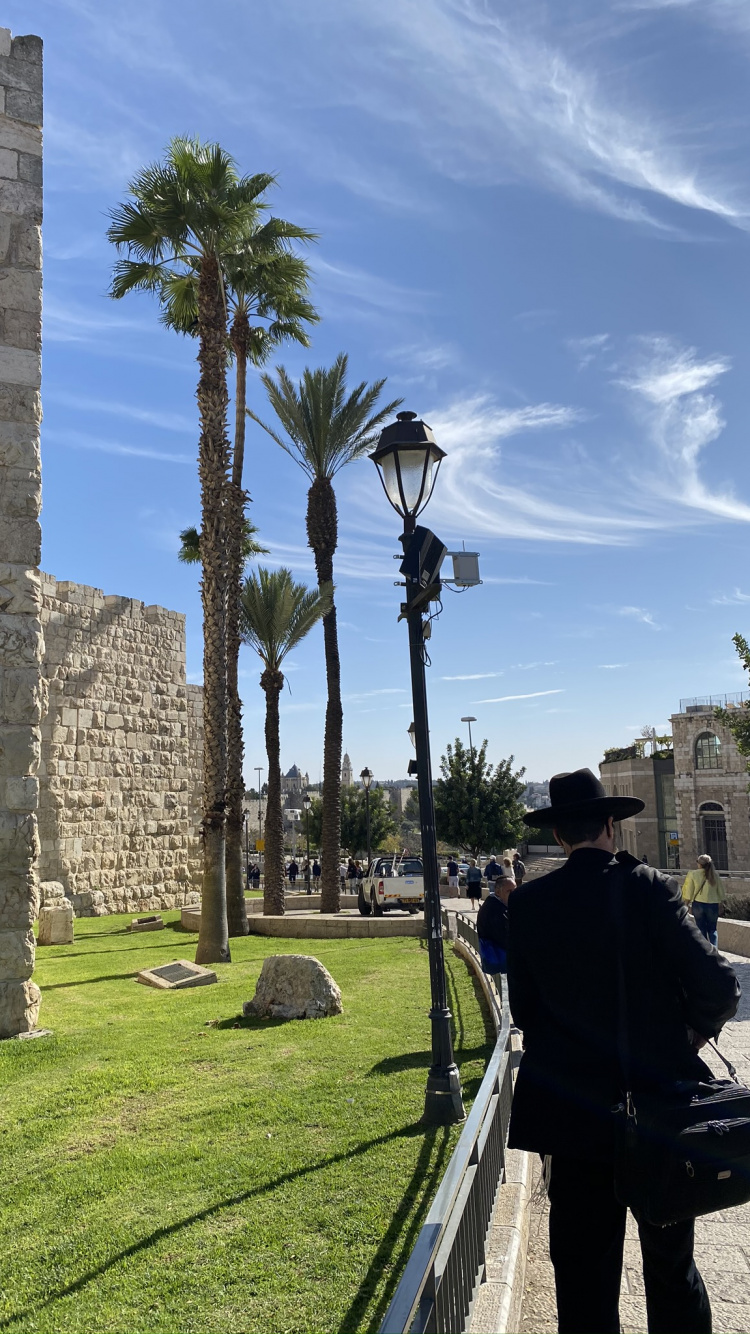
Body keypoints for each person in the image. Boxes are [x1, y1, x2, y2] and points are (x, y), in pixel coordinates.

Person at [507, 768, 740, 1334]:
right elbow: (719, 987)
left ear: (560, 837)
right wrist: (687, 1036)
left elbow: (525, 1014)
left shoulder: (530, 905)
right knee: (671, 1270)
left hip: (574, 1121)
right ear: (611, 824)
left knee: (584, 1283)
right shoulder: (649, 888)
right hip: (660, 1114)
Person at [476, 873, 514, 986]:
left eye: (515, 890)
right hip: (500, 959)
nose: (514, 894)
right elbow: (503, 937)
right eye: (509, 891)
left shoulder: (496, 904)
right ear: (498, 892)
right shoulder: (494, 909)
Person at [682, 854, 726, 948]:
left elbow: (689, 890)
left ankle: (705, 952)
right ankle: (715, 951)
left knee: (701, 928)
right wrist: (721, 905)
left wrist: (686, 904)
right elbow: (721, 891)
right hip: (713, 905)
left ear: (699, 864)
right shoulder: (715, 875)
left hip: (698, 904)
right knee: (712, 929)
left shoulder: (693, 874)